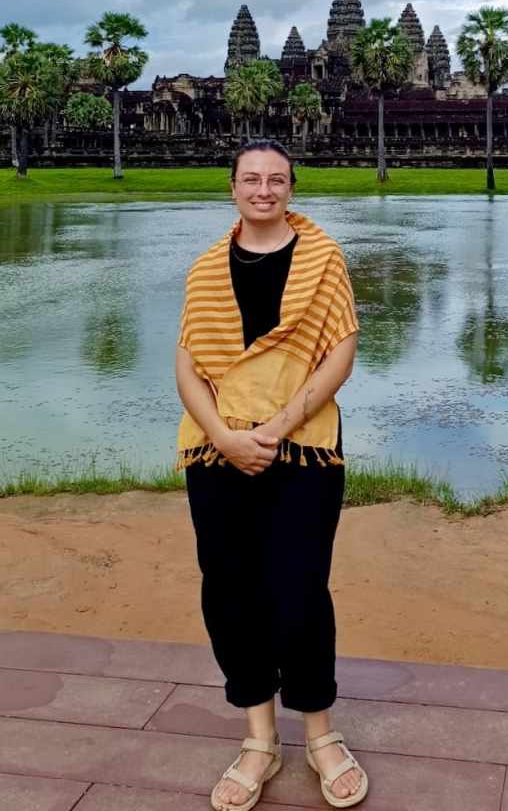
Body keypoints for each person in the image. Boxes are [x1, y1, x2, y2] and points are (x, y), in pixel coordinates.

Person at [174, 140, 367, 810]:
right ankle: (259, 738)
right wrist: (225, 437)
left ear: (291, 188)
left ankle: (320, 734)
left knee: (299, 589)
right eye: (251, 179)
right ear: (232, 188)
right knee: (229, 589)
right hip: (216, 449)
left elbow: (341, 351)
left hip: (303, 444)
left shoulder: (324, 260)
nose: (264, 189)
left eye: (276, 179)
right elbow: (187, 364)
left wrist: (278, 427)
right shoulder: (204, 270)